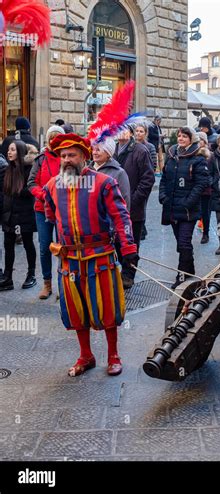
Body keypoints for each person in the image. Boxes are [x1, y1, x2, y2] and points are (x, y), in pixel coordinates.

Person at [44, 133, 138, 377]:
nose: (66, 159)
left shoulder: (105, 183)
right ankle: (86, 355)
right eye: (63, 156)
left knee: (107, 308)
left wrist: (128, 248)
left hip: (100, 257)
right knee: (76, 309)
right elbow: (50, 215)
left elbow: (121, 216)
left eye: (72, 155)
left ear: (84, 156)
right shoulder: (52, 186)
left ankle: (113, 355)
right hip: (69, 260)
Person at [159, 127, 209, 289]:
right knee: (182, 245)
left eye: (184, 136)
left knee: (184, 243)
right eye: (179, 136)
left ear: (191, 139)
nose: (180, 138)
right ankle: (191, 273)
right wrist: (163, 197)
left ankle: (181, 276)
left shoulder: (198, 157)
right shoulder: (172, 154)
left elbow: (202, 183)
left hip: (188, 210)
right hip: (172, 208)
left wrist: (188, 202)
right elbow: (164, 178)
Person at [27, 125, 65, 299]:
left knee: (63, 247)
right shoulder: (40, 159)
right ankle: (47, 284)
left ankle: (63, 285)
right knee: (44, 247)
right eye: (52, 137)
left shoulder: (67, 158)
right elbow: (31, 183)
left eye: (58, 137)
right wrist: (45, 195)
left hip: (63, 210)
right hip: (42, 209)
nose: (54, 140)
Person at [114, 127, 154, 288]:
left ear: (130, 133)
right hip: (114, 207)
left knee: (131, 243)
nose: (121, 133)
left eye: (124, 130)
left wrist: (133, 200)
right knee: (116, 242)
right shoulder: (112, 149)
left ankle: (128, 275)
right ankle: (121, 270)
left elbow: (148, 179)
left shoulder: (140, 151)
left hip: (133, 208)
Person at [0, 141, 39, 291]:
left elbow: (30, 191)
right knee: (8, 244)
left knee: (28, 243)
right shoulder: (8, 169)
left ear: (21, 152)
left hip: (24, 214)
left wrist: (16, 191)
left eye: (13, 150)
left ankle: (31, 275)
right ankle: (8, 276)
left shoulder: (29, 169)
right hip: (9, 214)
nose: (9, 152)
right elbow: (5, 192)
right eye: (9, 150)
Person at [90, 137, 131, 210]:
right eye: (93, 149)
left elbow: (124, 201)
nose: (94, 152)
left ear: (108, 154)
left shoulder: (119, 173)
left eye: (98, 150)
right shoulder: (86, 170)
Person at [134, 123, 157, 241]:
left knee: (142, 204)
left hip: (144, 182)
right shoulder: (131, 146)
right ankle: (141, 228)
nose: (138, 133)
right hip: (132, 182)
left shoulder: (150, 147)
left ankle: (141, 228)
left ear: (146, 133)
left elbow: (153, 165)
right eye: (137, 131)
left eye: (141, 131)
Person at [196, 131, 213, 244]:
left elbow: (212, 172)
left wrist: (209, 183)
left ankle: (205, 233)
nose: (199, 142)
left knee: (205, 212)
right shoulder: (192, 153)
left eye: (200, 139)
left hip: (206, 189)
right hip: (194, 188)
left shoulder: (210, 155)